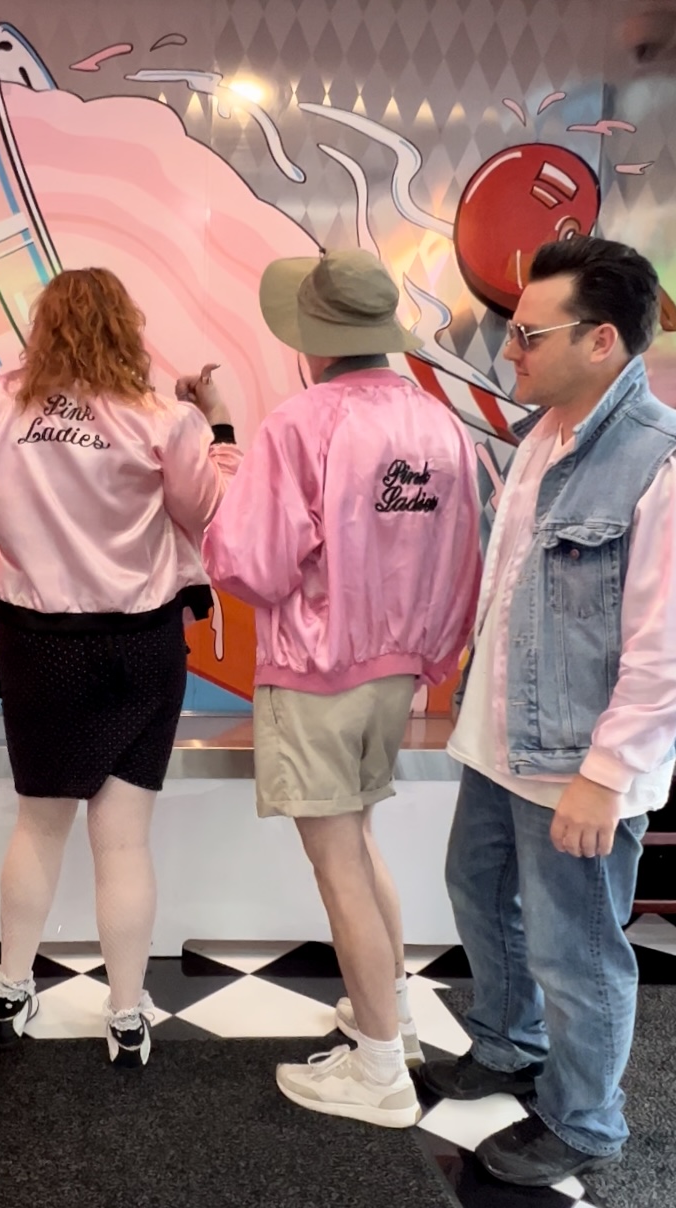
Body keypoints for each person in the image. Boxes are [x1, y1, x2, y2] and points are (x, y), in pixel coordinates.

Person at [417, 235, 676, 1186]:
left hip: (578, 759)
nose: (508, 351)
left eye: (527, 334)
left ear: (601, 339)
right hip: (503, 739)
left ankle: (584, 1117)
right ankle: (505, 1042)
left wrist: (604, 777)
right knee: (477, 890)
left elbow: (674, 648)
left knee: (577, 945)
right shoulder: (543, 436)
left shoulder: (674, 466)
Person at [0, 267, 240, 1066]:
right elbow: (213, 512)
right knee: (123, 841)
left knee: (37, 825)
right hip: (142, 645)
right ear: (127, 328)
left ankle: (8, 992)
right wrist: (219, 424)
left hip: (37, 645)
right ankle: (126, 1015)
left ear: (43, 326)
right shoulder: (163, 417)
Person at [203, 248, 482, 1128]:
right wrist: (430, 655)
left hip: (316, 671)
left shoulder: (301, 424)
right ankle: (388, 1019)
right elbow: (464, 557)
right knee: (359, 842)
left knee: (337, 865)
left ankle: (379, 1071)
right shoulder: (439, 424)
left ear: (312, 332)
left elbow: (250, 563)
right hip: (399, 669)